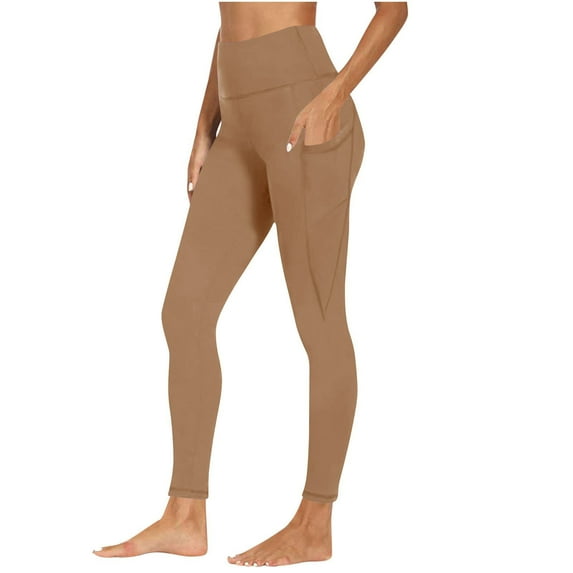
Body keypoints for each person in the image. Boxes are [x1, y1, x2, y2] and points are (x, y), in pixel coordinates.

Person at [93, 1, 408, 567]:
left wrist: (334, 95)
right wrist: (203, 127)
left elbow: (394, 9)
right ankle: (185, 516)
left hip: (305, 109)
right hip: (236, 121)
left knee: (319, 321)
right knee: (185, 312)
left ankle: (314, 524)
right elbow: (230, 23)